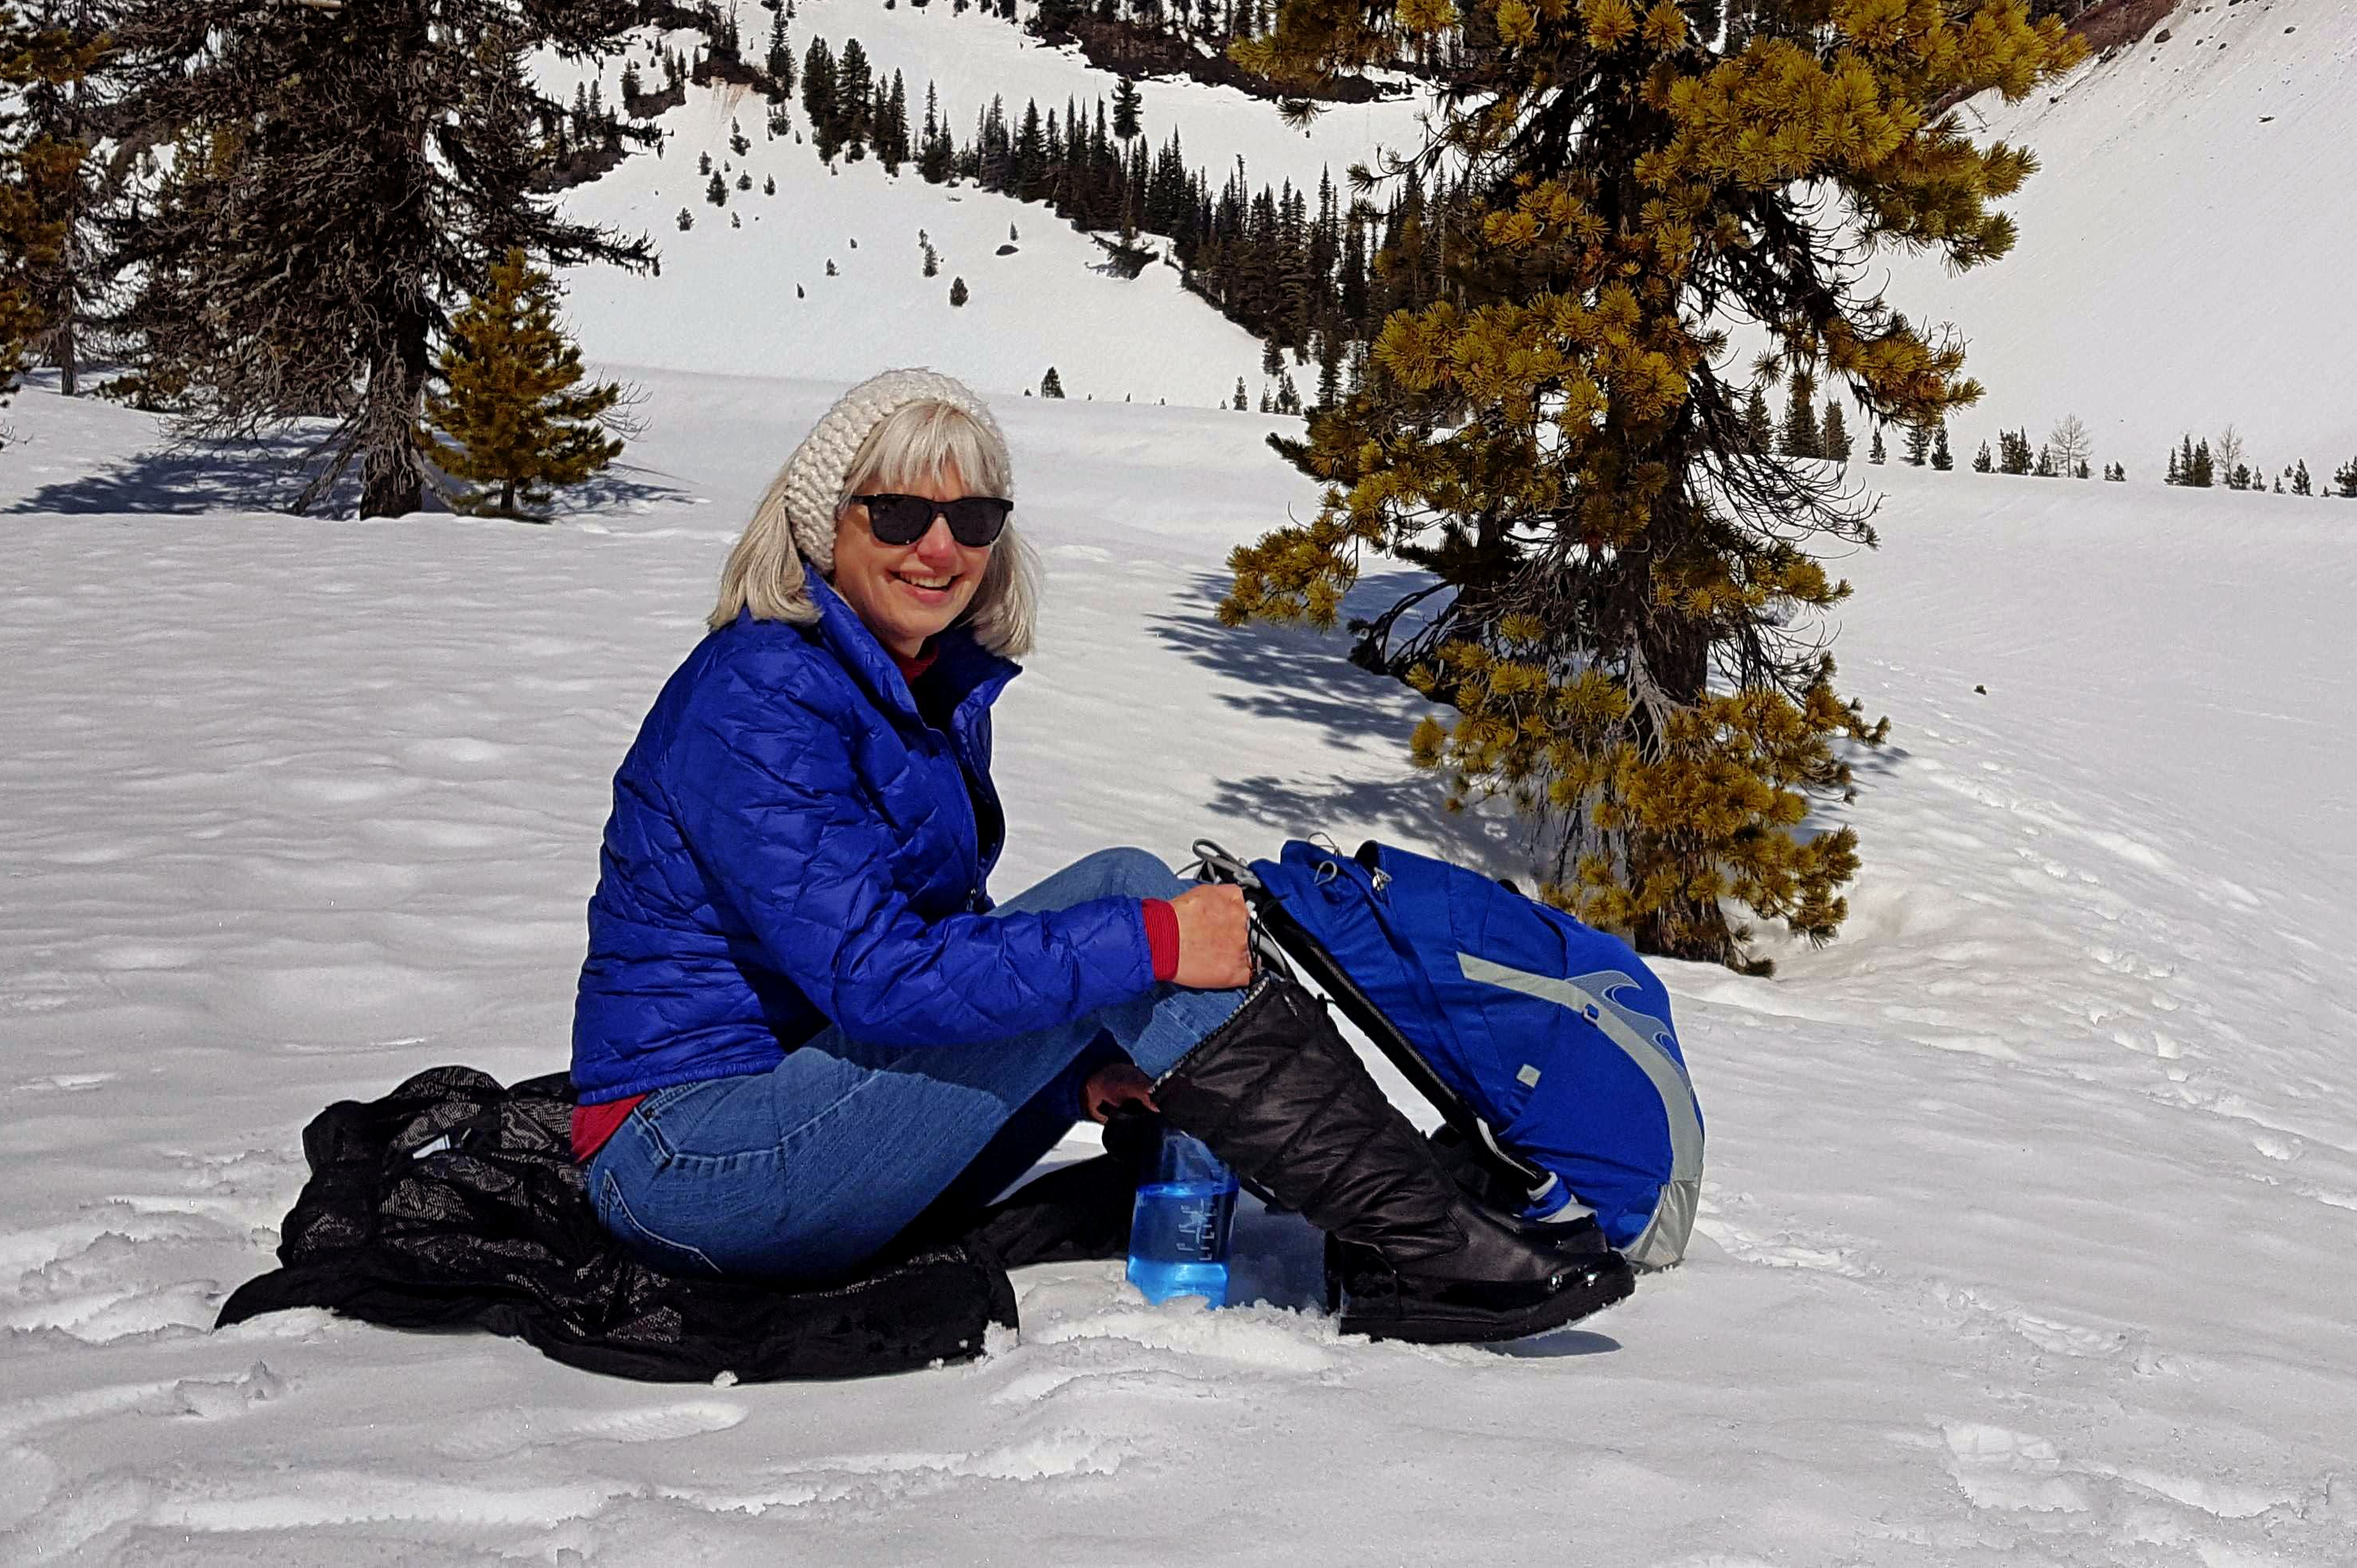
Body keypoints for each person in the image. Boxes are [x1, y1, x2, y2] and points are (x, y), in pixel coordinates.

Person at [567, 368, 1629, 1343]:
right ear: (824, 528)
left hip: (793, 1119)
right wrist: (1150, 940)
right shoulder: (761, 693)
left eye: (972, 517)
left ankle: (1412, 1219)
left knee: (1120, 953)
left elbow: (934, 949)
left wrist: (1070, 1069)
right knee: (1128, 895)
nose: (939, 548)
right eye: (898, 512)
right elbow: (879, 977)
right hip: (689, 1165)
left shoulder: (907, 686)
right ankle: (1426, 1241)